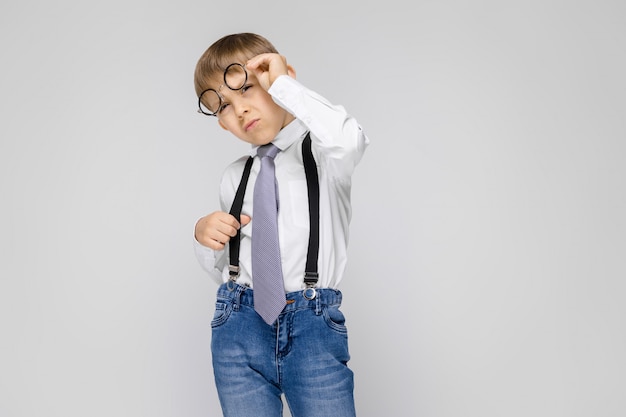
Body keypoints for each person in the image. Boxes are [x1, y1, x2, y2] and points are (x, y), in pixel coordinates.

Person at [192, 32, 369, 417]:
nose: (239, 110)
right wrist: (207, 240)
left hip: (312, 327)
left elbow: (349, 140)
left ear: (281, 80)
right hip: (238, 326)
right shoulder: (234, 177)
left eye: (248, 88)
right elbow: (229, 268)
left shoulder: (325, 154)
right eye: (222, 106)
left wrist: (286, 86)